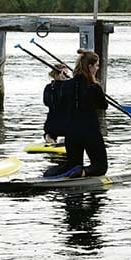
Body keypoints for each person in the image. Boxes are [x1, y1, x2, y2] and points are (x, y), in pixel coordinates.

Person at [44, 50, 109, 178]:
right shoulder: (94, 87)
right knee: (100, 167)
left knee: (72, 164)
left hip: (71, 133)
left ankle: (52, 173)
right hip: (90, 132)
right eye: (96, 65)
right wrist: (96, 86)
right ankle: (82, 172)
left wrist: (59, 83)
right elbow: (103, 105)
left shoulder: (66, 85)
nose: (97, 68)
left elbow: (57, 105)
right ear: (89, 67)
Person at [42, 63, 67, 147]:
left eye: (66, 74)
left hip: (67, 120)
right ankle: (49, 138)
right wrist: (59, 84)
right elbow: (46, 102)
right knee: (50, 134)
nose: (64, 76)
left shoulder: (70, 86)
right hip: (53, 120)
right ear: (55, 75)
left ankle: (64, 140)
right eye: (63, 74)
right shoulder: (49, 87)